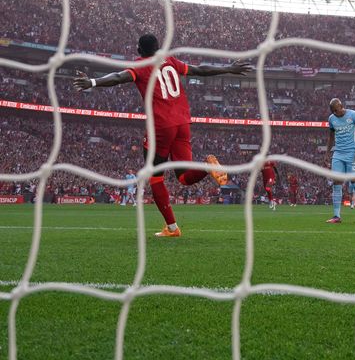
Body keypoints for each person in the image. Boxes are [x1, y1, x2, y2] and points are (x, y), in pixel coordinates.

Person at [73, 33, 253, 237]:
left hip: (161, 126)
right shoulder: (170, 61)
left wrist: (92, 83)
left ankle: (172, 228)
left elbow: (118, 77)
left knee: (155, 177)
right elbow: (199, 70)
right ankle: (207, 166)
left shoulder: (141, 65)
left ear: (140, 49)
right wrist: (229, 68)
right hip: (183, 123)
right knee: (184, 177)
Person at [325, 98, 355, 223]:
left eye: (336, 110)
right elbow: (331, 137)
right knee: (337, 182)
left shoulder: (354, 115)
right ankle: (337, 216)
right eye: (333, 111)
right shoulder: (331, 119)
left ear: (341, 106)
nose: (335, 113)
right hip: (338, 154)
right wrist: (327, 153)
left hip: (351, 154)